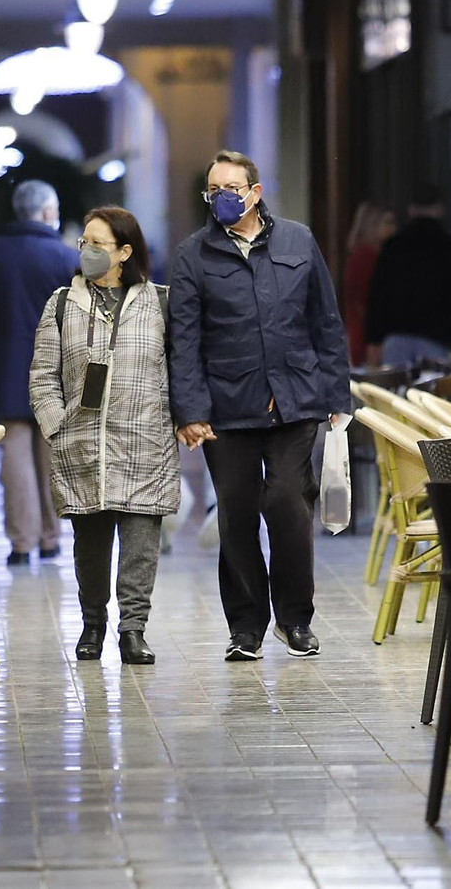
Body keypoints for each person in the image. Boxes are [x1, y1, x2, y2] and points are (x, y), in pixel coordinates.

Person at [168, 150, 352, 662]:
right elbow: (184, 341)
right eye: (213, 191)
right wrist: (190, 410)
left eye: (231, 188)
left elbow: (325, 322)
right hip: (227, 408)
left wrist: (338, 395)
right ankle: (246, 626)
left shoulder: (298, 240)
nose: (221, 198)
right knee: (236, 514)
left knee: (290, 504)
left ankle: (296, 619)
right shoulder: (193, 255)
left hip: (294, 399)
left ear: (255, 191)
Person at [29, 206, 177, 665]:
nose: (88, 252)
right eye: (84, 243)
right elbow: (42, 376)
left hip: (143, 442)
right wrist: (57, 425)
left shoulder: (160, 302)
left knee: (139, 546)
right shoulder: (61, 303)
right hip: (82, 445)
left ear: (125, 251)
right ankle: (93, 624)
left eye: (99, 244)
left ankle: (133, 629)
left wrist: (178, 419)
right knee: (90, 548)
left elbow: (181, 370)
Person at [0, 179, 78, 566]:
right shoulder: (63, 258)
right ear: (45, 213)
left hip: (4, 372)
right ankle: (51, 537)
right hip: (54, 376)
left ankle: (21, 544)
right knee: (50, 455)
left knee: (15, 457)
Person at [363, 185, 451, 368]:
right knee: (430, 392)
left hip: (395, 336)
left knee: (394, 392)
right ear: (439, 210)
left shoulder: (393, 247)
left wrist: (374, 338)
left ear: (411, 210)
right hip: (435, 337)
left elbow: (377, 295)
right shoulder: (450, 249)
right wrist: (450, 330)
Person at [343, 203, 396, 366]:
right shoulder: (366, 257)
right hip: (368, 338)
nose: (393, 228)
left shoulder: (364, 255)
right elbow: (365, 300)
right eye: (387, 223)